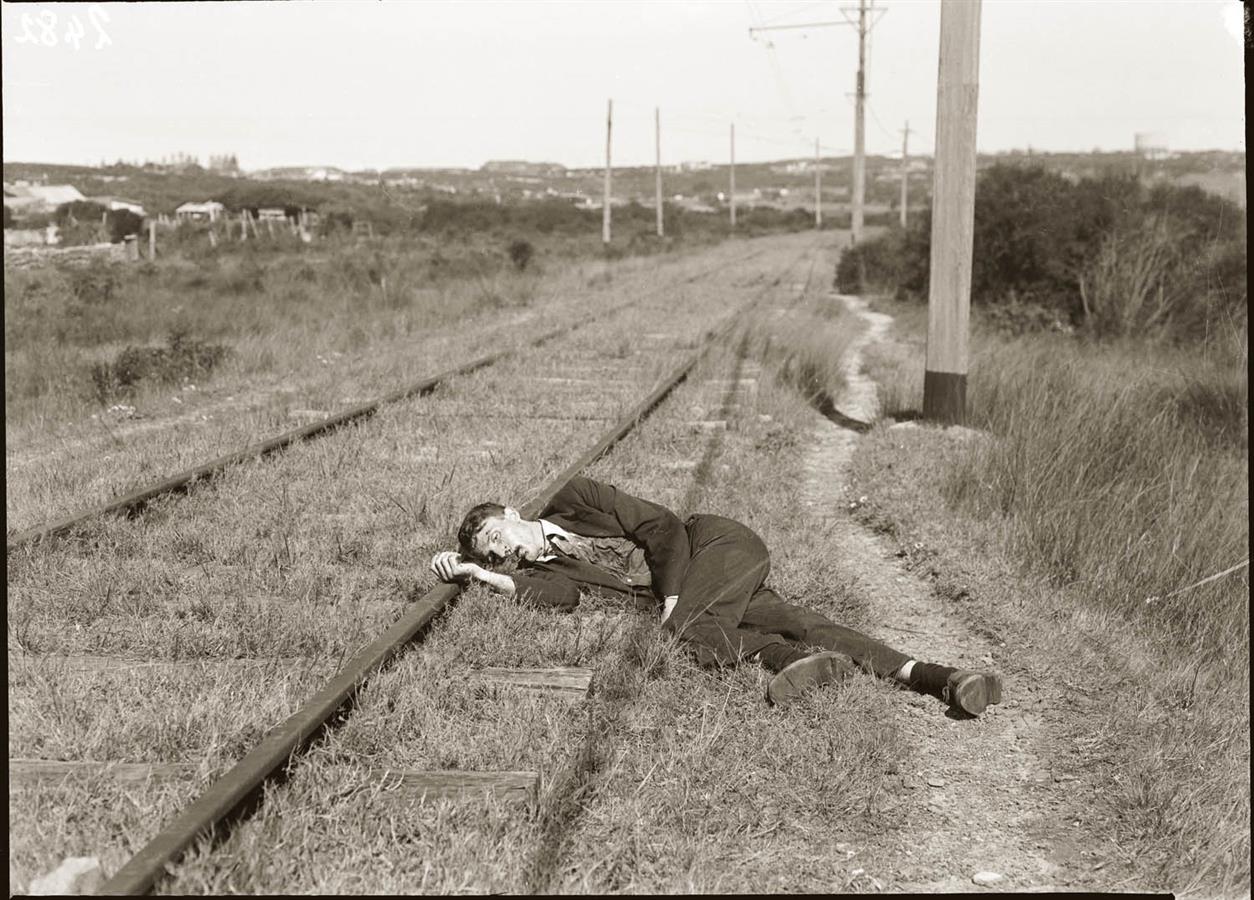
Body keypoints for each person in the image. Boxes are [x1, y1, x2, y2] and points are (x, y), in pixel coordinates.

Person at [430, 475, 1002, 712]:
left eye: (498, 539)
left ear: (511, 513)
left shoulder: (578, 496)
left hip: (715, 545)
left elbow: (661, 527)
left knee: (684, 630)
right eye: (495, 555)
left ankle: (797, 664)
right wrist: (478, 576)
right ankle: (942, 678)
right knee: (802, 620)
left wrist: (674, 597)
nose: (507, 553)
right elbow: (559, 601)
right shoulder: (553, 573)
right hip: (712, 592)